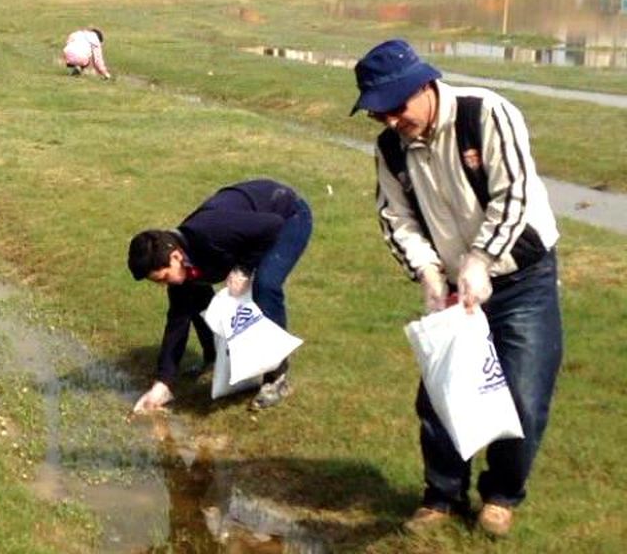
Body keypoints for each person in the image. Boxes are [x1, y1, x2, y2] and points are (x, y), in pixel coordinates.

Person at [351, 39, 562, 538]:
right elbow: (395, 219)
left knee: (524, 395)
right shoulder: (390, 148)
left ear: (425, 86)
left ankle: (501, 496)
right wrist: (428, 273)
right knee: (441, 395)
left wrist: (480, 261)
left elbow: (515, 194)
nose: (390, 122)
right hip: (451, 285)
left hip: (521, 277)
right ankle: (441, 496)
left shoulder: (486, 113)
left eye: (396, 109)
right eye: (378, 115)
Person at [126, 179, 313, 414]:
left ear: (175, 257)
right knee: (190, 296)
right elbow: (177, 322)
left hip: (288, 216)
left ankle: (277, 377)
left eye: (163, 278)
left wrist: (244, 268)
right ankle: (213, 357)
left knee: (265, 285)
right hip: (255, 227)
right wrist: (162, 384)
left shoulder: (212, 232)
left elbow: (272, 225)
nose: (163, 285)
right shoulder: (183, 255)